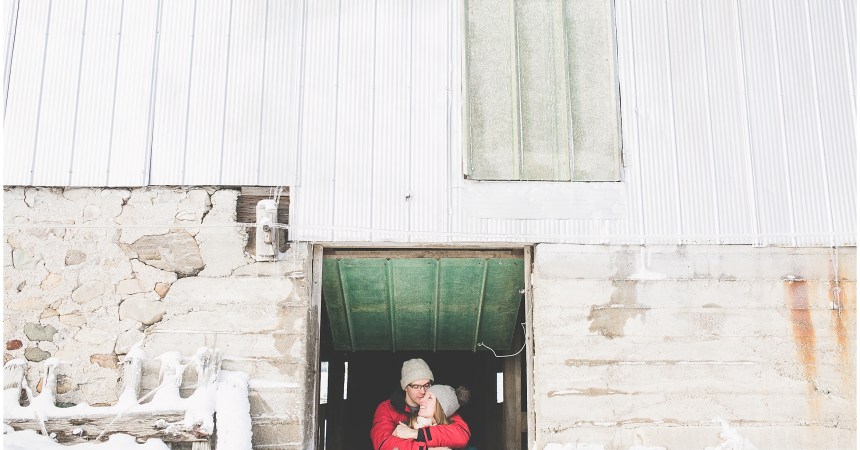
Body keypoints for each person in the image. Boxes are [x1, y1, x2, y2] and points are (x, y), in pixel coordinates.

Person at [370, 358, 471, 450]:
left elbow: (461, 434)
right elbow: (383, 443)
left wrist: (417, 434)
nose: (423, 391)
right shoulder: (386, 408)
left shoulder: (439, 404)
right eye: (416, 386)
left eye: (426, 385)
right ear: (405, 387)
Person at [397, 384, 471, 450]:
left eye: (429, 398)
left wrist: (416, 433)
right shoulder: (406, 425)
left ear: (441, 407)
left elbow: (460, 437)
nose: (422, 399)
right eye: (424, 396)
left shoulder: (451, 431)